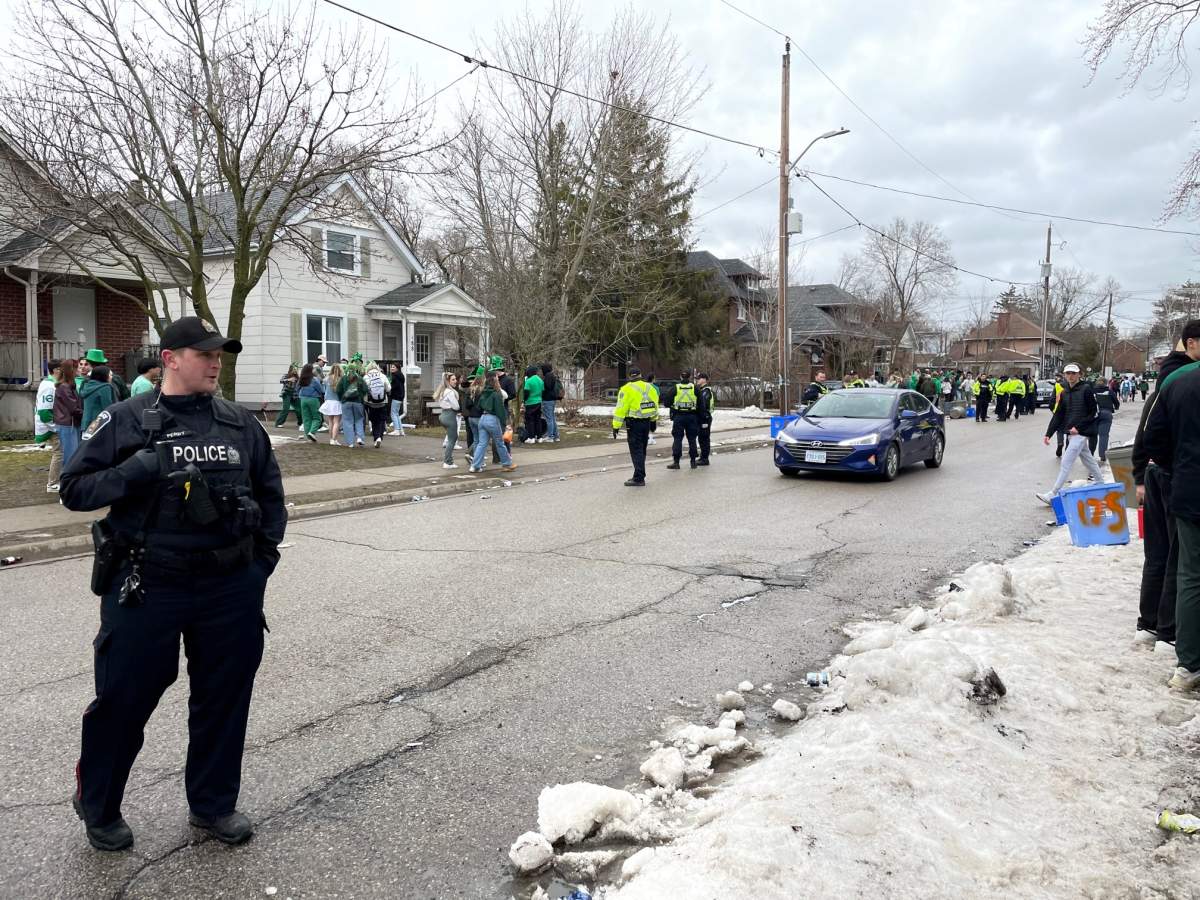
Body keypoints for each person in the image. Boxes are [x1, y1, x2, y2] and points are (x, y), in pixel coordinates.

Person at [60, 316, 286, 852]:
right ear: (170, 358)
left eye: (219, 354)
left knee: (223, 698)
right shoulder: (125, 418)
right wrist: (137, 468)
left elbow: (271, 497)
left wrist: (260, 568)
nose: (215, 362)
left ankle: (212, 805)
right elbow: (74, 489)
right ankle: (98, 803)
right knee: (124, 699)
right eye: (204, 353)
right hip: (147, 584)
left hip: (228, 587)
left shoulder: (239, 424)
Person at [1132, 322, 1200, 653]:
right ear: (1190, 344)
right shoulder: (1183, 378)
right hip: (1177, 477)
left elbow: (1147, 431)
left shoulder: (1168, 378)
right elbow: (1152, 432)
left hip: (1159, 472)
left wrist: (1143, 473)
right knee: (1179, 559)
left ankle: (1148, 624)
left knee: (1157, 553)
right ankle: (1168, 631)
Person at [1036, 363, 1102, 505]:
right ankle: (1100, 482)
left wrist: (1078, 428)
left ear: (1080, 374)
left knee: (1066, 461)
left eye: (1073, 373)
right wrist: (1049, 433)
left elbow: (1094, 412)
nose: (1070, 376)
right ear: (1065, 375)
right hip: (1071, 432)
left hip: (1081, 432)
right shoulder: (1064, 392)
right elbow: (1058, 414)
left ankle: (1053, 494)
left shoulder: (1086, 390)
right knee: (1087, 459)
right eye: (1068, 373)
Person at [612, 366, 660, 487]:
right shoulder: (650, 387)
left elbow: (621, 408)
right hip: (646, 422)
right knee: (642, 449)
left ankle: (639, 478)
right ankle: (638, 474)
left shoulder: (626, 389)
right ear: (640, 375)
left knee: (636, 450)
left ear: (629, 376)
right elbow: (655, 405)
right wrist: (654, 420)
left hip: (634, 424)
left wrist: (616, 426)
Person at [469, 372, 516, 473]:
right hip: (492, 419)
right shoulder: (496, 393)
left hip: (482, 419)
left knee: (481, 444)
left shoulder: (483, 392)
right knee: (500, 443)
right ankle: (507, 464)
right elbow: (500, 410)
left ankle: (475, 466)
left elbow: (479, 406)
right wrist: (505, 423)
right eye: (497, 379)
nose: (498, 380)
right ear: (495, 380)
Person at [52, 359, 84, 478]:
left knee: (72, 454)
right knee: (70, 456)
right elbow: (74, 408)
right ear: (71, 370)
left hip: (69, 423)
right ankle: (67, 483)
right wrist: (87, 415)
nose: (78, 370)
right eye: (76, 368)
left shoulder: (68, 386)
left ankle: (68, 482)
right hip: (67, 424)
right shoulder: (65, 387)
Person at [664, 370, 700, 470]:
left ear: (680, 377)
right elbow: (701, 404)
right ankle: (693, 461)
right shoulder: (695, 388)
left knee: (678, 439)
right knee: (692, 439)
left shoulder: (675, 388)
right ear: (689, 377)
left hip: (679, 417)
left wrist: (674, 406)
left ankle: (676, 462)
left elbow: (666, 402)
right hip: (692, 416)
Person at [80, 365, 118, 433]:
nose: (111, 377)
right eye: (109, 375)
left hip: (86, 424)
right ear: (103, 376)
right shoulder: (105, 387)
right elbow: (108, 408)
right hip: (99, 425)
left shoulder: (87, 385)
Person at [1090, 375, 1120, 462]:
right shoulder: (1110, 391)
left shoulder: (1092, 391)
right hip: (1106, 414)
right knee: (1104, 435)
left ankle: (1090, 454)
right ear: (1106, 383)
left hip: (1093, 415)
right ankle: (1102, 455)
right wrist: (1116, 407)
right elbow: (1116, 403)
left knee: (1092, 435)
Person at [434, 372, 460, 468]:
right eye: (453, 379)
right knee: (452, 439)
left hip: (443, 415)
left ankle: (448, 460)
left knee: (451, 438)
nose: (455, 381)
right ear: (448, 381)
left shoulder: (443, 391)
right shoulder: (450, 392)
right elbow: (456, 407)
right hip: (449, 415)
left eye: (455, 379)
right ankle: (448, 461)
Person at [336, 365, 367, 447]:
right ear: (355, 369)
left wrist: (341, 398)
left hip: (346, 402)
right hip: (358, 402)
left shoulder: (343, 378)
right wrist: (361, 396)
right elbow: (365, 389)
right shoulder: (360, 378)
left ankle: (350, 443)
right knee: (359, 420)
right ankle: (360, 438)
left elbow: (338, 390)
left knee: (347, 421)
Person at [362, 362, 390, 448]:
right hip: (382, 402)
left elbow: (363, 389)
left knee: (374, 420)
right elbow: (389, 388)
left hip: (371, 402)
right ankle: (380, 437)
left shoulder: (366, 377)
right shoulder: (382, 376)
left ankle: (376, 437)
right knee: (381, 420)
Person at [296, 363, 324, 443]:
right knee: (317, 418)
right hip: (313, 399)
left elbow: (296, 389)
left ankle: (308, 437)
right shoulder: (314, 379)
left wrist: (301, 395)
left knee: (306, 418)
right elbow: (321, 390)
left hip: (303, 400)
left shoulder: (301, 379)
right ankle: (312, 432)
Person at [320, 364, 343, 446]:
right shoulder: (341, 379)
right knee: (337, 422)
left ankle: (332, 439)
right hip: (337, 401)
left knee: (330, 421)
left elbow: (324, 390)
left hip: (329, 401)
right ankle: (334, 439)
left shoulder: (327, 378)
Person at [696, 372, 716, 466]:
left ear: (704, 379)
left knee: (704, 438)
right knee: (701, 438)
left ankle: (705, 459)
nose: (697, 380)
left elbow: (703, 405)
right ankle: (702, 457)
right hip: (702, 417)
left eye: (699, 378)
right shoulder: (702, 390)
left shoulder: (706, 391)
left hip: (705, 417)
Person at [522, 365, 544, 443]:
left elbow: (526, 393)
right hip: (538, 401)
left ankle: (531, 437)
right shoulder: (540, 380)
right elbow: (542, 390)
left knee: (530, 420)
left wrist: (524, 401)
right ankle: (539, 437)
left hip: (530, 403)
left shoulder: (528, 381)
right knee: (538, 420)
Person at [540, 362, 562, 443]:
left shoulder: (548, 376)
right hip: (552, 400)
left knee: (549, 418)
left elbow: (547, 387)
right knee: (552, 418)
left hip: (547, 400)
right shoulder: (553, 375)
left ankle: (550, 436)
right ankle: (556, 436)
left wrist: (543, 388)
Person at [388, 363, 406, 437]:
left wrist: (389, 389)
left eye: (393, 367)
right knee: (397, 413)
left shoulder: (395, 376)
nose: (391, 368)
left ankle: (396, 430)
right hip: (401, 397)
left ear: (397, 368)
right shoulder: (400, 375)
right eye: (391, 367)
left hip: (396, 396)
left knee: (393, 413)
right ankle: (401, 430)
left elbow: (393, 387)